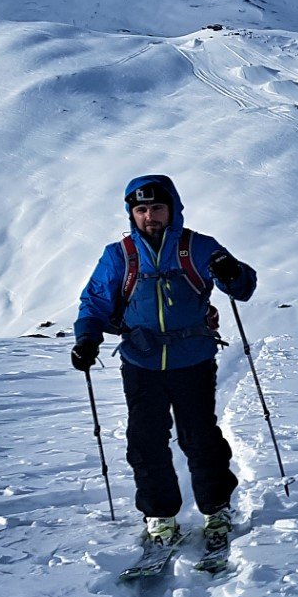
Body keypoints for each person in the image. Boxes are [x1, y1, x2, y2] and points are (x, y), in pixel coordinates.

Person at [71, 174, 257, 556]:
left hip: (193, 360)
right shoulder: (118, 255)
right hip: (140, 362)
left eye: (157, 207)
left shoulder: (199, 247)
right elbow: (94, 301)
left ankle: (217, 509)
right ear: (131, 214)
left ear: (172, 208)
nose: (150, 216)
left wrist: (231, 271)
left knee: (200, 438)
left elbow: (243, 288)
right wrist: (86, 338)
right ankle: (159, 516)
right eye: (141, 209)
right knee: (145, 441)